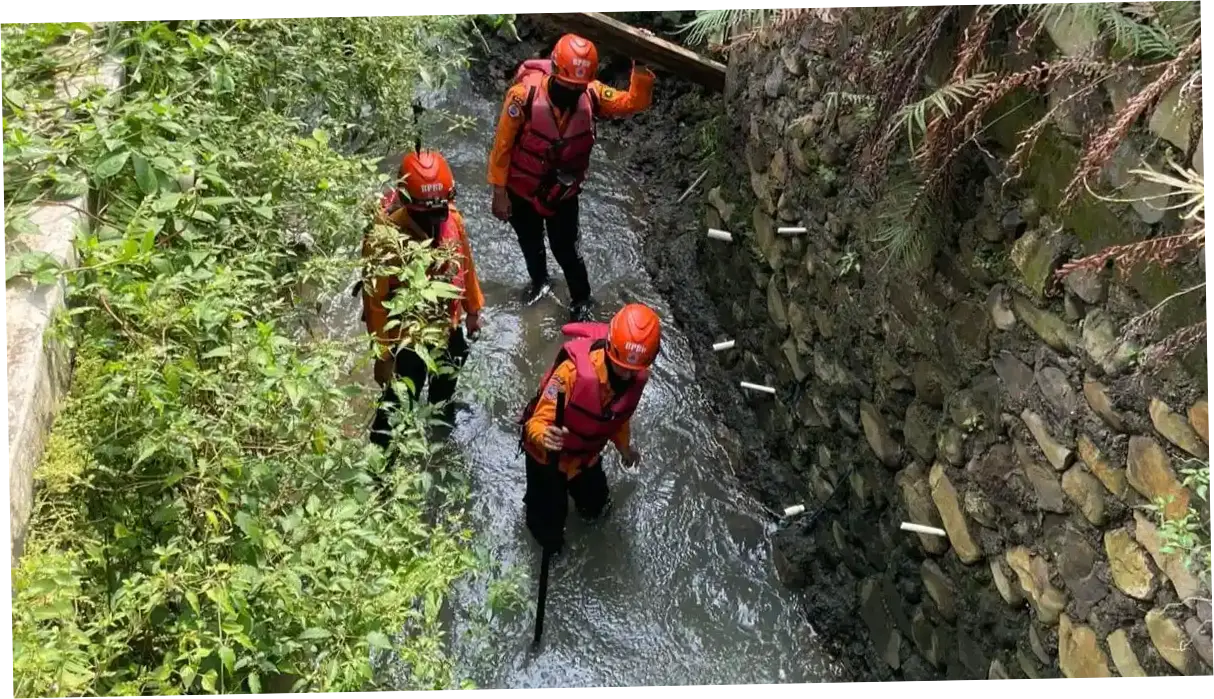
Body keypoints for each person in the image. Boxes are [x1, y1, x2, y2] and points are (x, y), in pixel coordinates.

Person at [487, 33, 656, 321]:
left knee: (567, 250)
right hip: (521, 190)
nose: (573, 92)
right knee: (531, 244)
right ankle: (539, 282)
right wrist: (499, 193)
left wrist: (640, 68)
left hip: (562, 194)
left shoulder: (592, 94)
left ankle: (582, 299)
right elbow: (502, 147)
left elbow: (632, 103)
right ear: (554, 72)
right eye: (567, 85)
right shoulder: (522, 97)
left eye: (578, 87)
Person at [363, 149, 484, 449]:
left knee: (445, 389)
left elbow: (465, 265)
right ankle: (381, 461)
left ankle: (440, 441)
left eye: (439, 210)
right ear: (407, 203)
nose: (434, 218)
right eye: (426, 212)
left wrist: (473, 310)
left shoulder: (453, 220)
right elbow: (375, 302)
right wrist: (383, 357)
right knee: (397, 403)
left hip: (447, 326)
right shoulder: (385, 239)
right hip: (407, 339)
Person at [518, 303, 662, 553]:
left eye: (633, 371)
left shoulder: (634, 376)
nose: (626, 376)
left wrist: (625, 449)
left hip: (584, 457)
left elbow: (618, 417)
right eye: (621, 367)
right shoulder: (570, 373)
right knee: (547, 534)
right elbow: (536, 422)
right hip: (547, 457)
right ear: (609, 348)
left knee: (598, 509)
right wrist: (545, 436)